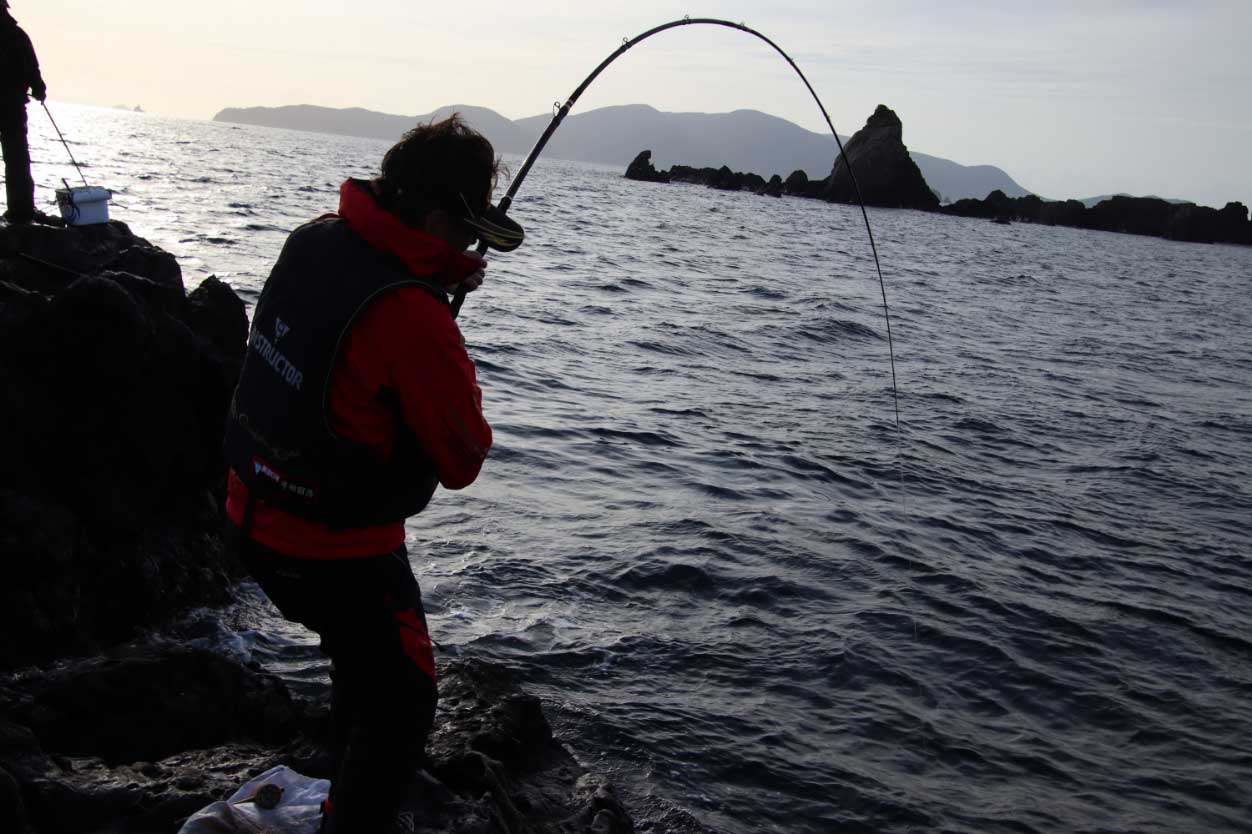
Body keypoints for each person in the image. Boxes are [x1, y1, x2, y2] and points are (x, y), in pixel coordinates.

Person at [224, 114, 523, 834]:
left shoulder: (314, 238)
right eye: (466, 231)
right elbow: (462, 459)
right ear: (433, 217)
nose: (471, 247)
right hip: (332, 550)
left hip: (247, 514)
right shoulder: (415, 319)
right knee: (403, 700)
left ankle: (341, 798)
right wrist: (437, 318)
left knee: (362, 666)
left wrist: (431, 279)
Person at [0, 0, 46, 224]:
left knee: (17, 159)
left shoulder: (18, 37)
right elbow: (32, 70)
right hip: (12, 107)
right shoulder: (18, 36)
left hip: (12, 106)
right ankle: (21, 211)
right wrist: (39, 89)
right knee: (17, 160)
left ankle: (21, 211)